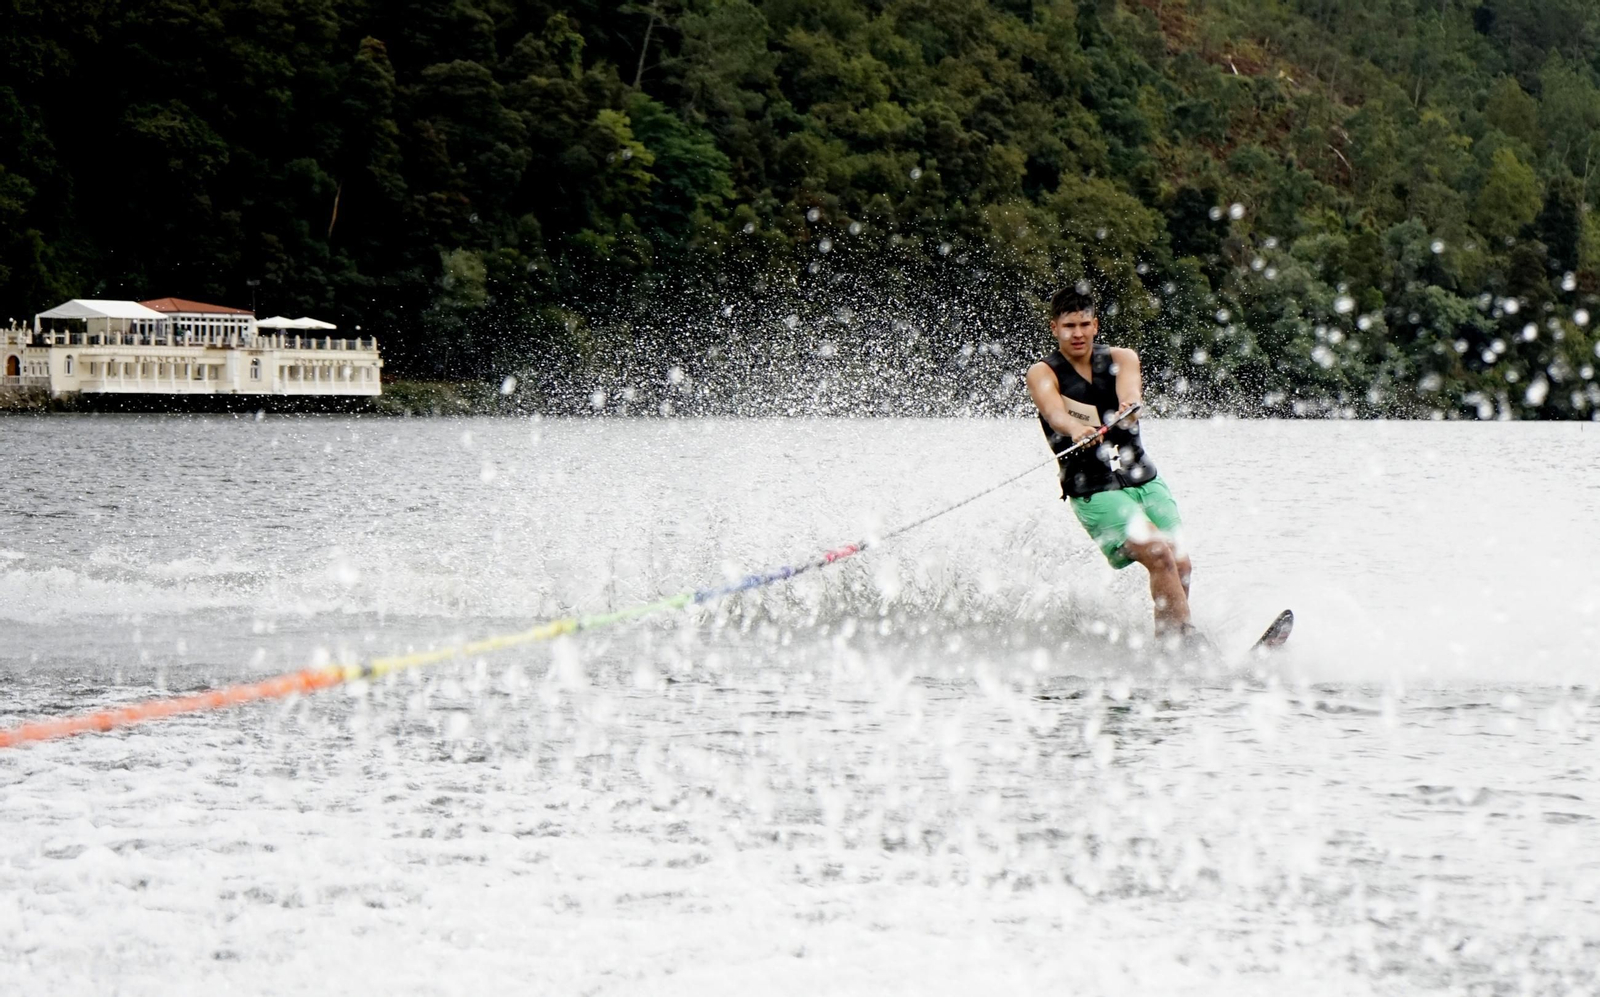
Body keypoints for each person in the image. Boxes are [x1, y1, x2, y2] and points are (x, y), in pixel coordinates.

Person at [1025, 286, 1196, 642]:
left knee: (1180, 564)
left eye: (1085, 324)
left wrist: (1128, 409)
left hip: (1142, 479)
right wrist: (1076, 429)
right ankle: (1184, 644)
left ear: (1096, 325)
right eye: (1069, 325)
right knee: (1158, 553)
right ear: (1054, 327)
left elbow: (1131, 393)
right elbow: (1055, 414)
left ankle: (1172, 645)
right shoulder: (1043, 374)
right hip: (1094, 489)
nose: (1078, 333)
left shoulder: (1123, 358)